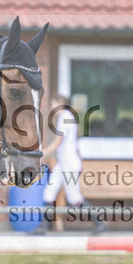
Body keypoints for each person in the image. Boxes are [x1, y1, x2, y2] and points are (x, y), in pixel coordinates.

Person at [40, 95, 104, 233]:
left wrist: (44, 152)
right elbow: (75, 145)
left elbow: (59, 141)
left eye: (53, 103)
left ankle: (99, 222)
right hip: (63, 163)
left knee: (74, 198)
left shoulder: (65, 117)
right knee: (48, 193)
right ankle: (43, 228)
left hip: (68, 164)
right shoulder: (66, 117)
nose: (51, 107)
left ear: (60, 104)